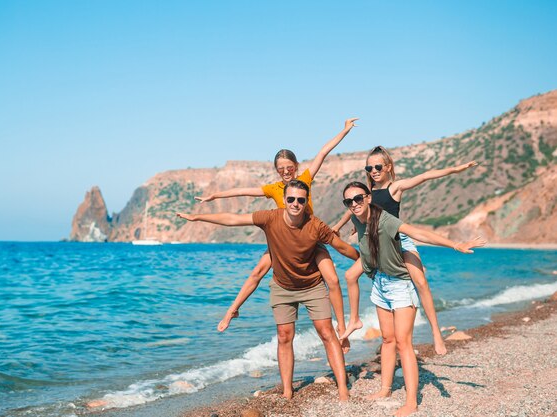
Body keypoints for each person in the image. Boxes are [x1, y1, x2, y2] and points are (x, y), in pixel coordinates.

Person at [178, 180, 360, 401]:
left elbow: (341, 247)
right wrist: (198, 217)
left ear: (306, 202)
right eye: (291, 199)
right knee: (284, 336)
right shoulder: (270, 218)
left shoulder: (315, 225)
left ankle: (342, 389)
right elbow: (233, 219)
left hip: (312, 285)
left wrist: (365, 260)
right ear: (284, 200)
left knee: (326, 333)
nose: (295, 204)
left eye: (301, 200)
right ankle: (287, 391)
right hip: (283, 286)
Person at [195, 118, 358, 332]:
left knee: (332, 279)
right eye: (281, 168)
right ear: (276, 170)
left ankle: (343, 328)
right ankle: (232, 310)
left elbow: (323, 152)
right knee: (257, 273)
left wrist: (344, 130)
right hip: (281, 243)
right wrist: (215, 195)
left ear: (296, 166)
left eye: (289, 167)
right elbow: (243, 191)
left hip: (310, 240)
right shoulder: (274, 188)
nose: (286, 171)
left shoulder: (305, 179)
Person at [341, 181, 485, 416]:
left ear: (368, 198)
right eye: (349, 201)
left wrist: (455, 244)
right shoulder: (357, 218)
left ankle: (411, 402)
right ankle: (385, 389)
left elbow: (418, 233)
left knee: (403, 343)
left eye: (358, 199)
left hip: (400, 286)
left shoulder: (386, 221)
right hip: (380, 284)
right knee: (387, 340)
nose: (354, 204)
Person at [334, 145, 478, 355]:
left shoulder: (395, 188)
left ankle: (436, 332)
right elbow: (352, 211)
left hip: (400, 240)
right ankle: (357, 321)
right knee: (350, 276)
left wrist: (455, 169)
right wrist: (338, 226)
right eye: (369, 167)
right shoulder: (365, 195)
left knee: (420, 282)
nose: (373, 171)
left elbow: (426, 176)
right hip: (378, 246)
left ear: (388, 166)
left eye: (377, 166)